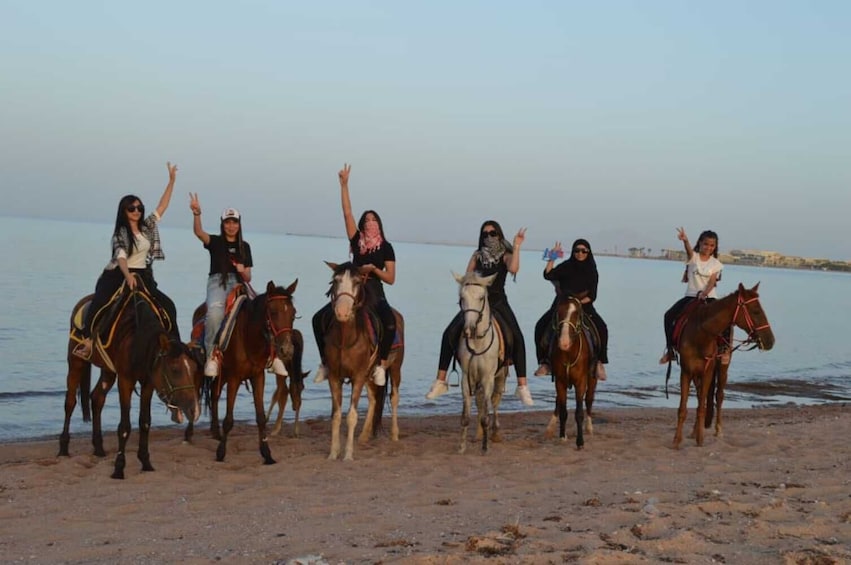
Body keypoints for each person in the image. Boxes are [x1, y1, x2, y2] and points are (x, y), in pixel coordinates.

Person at [74, 162, 180, 359]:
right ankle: (88, 340)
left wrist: (171, 181)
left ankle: (174, 346)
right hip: (118, 274)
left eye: (139, 207)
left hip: (143, 275)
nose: (137, 211)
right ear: (124, 211)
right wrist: (127, 275)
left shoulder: (147, 226)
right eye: (132, 208)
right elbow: (121, 257)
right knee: (101, 302)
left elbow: (162, 206)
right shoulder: (120, 233)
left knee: (168, 305)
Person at [425, 221, 534, 406]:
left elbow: (514, 268)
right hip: (475, 302)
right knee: (449, 333)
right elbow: (467, 278)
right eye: (485, 234)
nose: (489, 237)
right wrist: (466, 291)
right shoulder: (476, 256)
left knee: (517, 336)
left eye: (492, 233)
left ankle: (522, 386)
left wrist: (516, 246)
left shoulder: (505, 256)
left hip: (497, 302)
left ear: (499, 234)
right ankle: (441, 380)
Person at [312, 163, 397, 387]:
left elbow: (391, 278)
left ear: (379, 224)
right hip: (353, 288)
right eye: (367, 220)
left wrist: (373, 270)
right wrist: (344, 185)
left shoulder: (386, 247)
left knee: (389, 323)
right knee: (317, 319)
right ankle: (325, 362)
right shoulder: (356, 240)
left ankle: (380, 363)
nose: (370, 222)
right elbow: (347, 212)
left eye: (374, 220)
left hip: (374, 290)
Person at [188, 194, 272, 377]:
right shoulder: (216, 242)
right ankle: (211, 356)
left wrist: (242, 270)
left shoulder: (245, 247)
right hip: (217, 283)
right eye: (228, 222)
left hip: (239, 284)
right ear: (222, 224)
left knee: (264, 310)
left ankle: (272, 356)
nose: (231, 226)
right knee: (215, 314)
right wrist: (197, 214)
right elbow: (199, 233)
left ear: (239, 224)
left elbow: (248, 277)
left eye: (234, 222)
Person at [532, 238, 609, 380]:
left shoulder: (592, 271)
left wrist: (577, 304)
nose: (580, 253)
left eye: (583, 251)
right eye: (576, 251)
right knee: (540, 325)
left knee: (602, 328)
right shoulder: (566, 266)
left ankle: (599, 362)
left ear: (588, 252)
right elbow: (548, 274)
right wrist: (552, 257)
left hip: (583, 306)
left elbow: (592, 296)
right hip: (561, 305)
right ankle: (544, 362)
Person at [659, 227, 723, 364]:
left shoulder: (716, 264)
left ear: (715, 247)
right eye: (706, 244)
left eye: (712, 245)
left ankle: (724, 351)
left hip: (710, 297)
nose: (708, 247)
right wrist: (685, 240)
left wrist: (705, 293)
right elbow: (689, 251)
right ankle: (671, 350)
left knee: (726, 322)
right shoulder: (693, 258)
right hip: (691, 296)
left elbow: (712, 282)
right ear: (700, 243)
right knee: (668, 315)